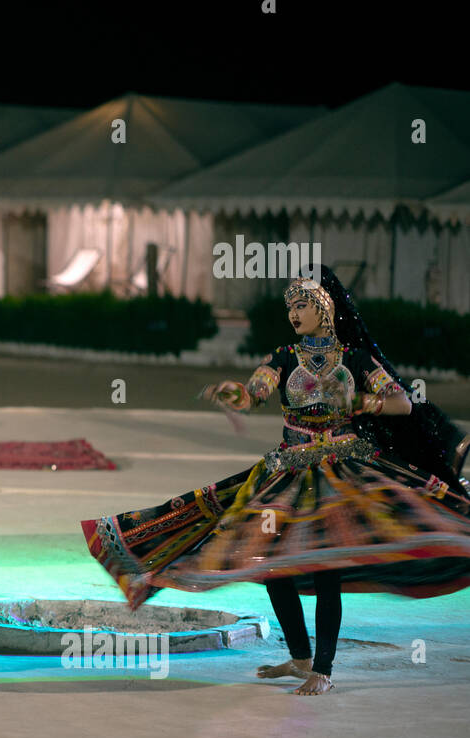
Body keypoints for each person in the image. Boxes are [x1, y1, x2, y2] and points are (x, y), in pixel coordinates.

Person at [82, 266, 470, 695]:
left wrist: (364, 401)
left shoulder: (356, 360)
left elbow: (403, 404)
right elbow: (254, 393)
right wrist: (235, 395)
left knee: (326, 569)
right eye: (291, 307)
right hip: (286, 473)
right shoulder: (284, 357)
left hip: (341, 474)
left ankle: (323, 669)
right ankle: (300, 657)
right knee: (271, 566)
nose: (294, 314)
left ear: (324, 309)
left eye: (302, 305)